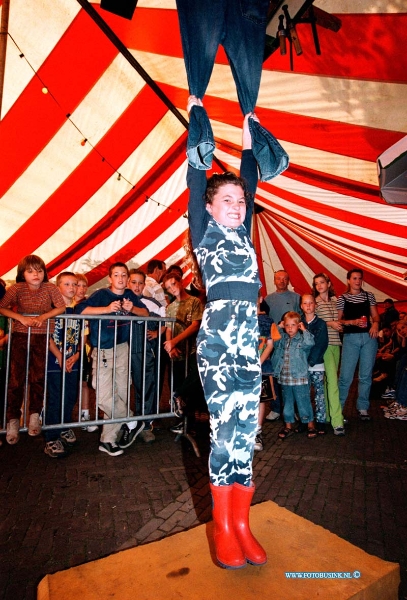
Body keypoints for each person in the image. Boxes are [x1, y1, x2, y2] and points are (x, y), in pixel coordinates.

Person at [188, 100, 266, 569]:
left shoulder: (246, 233)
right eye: (228, 201)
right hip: (218, 340)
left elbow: (250, 180)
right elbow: (196, 175)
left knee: (247, 432)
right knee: (223, 431)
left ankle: (242, 524)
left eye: (240, 202)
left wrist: (248, 135)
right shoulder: (205, 233)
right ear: (211, 208)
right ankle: (222, 527)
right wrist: (198, 112)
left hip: (248, 342)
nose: (237, 206)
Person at [76, 262, 148, 456]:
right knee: (103, 394)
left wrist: (132, 308)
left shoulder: (130, 295)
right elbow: (80, 310)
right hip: (103, 350)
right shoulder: (100, 295)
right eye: (117, 275)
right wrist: (107, 309)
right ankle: (131, 418)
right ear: (110, 278)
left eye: (124, 275)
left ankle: (108, 440)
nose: (121, 278)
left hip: (122, 348)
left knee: (121, 393)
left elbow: (145, 313)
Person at [0, 255, 65, 444]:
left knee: (38, 376)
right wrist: (20, 318)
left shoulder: (50, 287)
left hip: (41, 335)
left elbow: (61, 307)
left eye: (39, 270)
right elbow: (2, 307)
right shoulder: (17, 288)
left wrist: (44, 316)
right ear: (23, 273)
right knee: (15, 378)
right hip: (20, 336)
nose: (35, 274)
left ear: (44, 272)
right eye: (30, 271)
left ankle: (34, 414)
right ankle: (12, 419)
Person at [44, 272, 82, 458]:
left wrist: (76, 355)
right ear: (58, 287)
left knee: (70, 396)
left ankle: (64, 426)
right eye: (66, 284)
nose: (71, 288)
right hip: (54, 361)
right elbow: (48, 336)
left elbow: (82, 336)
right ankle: (51, 436)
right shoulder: (53, 310)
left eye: (74, 284)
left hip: (72, 361)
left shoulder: (77, 311)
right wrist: (59, 355)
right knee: (55, 397)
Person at [162, 272, 205, 433]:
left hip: (193, 348)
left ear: (180, 282)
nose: (172, 289)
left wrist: (175, 340)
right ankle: (183, 421)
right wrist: (171, 345)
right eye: (168, 287)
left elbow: (195, 325)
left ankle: (190, 419)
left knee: (194, 381)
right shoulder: (170, 307)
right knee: (179, 381)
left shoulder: (194, 301)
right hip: (178, 353)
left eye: (173, 284)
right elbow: (168, 328)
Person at [128, 268, 166, 443]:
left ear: (145, 285)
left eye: (140, 283)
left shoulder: (153, 303)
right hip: (122, 351)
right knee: (121, 388)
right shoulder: (118, 301)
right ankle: (124, 423)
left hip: (144, 351)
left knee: (146, 386)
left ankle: (145, 424)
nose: (136, 286)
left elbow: (164, 322)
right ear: (128, 282)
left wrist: (157, 333)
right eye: (133, 282)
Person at [337, 268, 380, 421]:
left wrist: (375, 325)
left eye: (359, 278)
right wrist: (352, 322)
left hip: (369, 337)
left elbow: (375, 316)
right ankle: (339, 409)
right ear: (348, 280)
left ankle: (363, 407)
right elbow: (338, 321)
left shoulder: (369, 296)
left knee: (365, 375)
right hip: (350, 338)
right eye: (354, 278)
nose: (357, 281)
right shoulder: (342, 298)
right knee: (345, 376)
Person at [271, 311, 316, 440]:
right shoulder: (282, 339)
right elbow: (273, 340)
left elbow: (310, 343)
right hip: (285, 377)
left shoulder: (302, 339)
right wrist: (278, 327)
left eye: (293, 325)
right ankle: (288, 425)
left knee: (303, 401)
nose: (290, 328)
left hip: (299, 377)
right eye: (287, 325)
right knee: (287, 403)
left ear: (298, 325)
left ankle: (310, 424)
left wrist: (304, 330)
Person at [264, 270, 301, 422]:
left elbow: (301, 319)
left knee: (292, 375)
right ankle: (275, 408)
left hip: (292, 342)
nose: (281, 281)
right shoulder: (268, 299)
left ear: (288, 280)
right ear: (274, 281)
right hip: (274, 343)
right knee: (274, 376)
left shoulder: (296, 298)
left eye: (285, 278)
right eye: (278, 278)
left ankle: (293, 408)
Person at [312, 273, 345, 436]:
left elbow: (339, 321)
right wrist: (330, 323)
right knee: (333, 382)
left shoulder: (335, 301)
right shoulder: (315, 303)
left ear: (329, 283)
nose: (319, 285)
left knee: (328, 382)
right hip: (324, 345)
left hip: (336, 343)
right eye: (316, 283)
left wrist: (339, 325)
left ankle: (326, 415)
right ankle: (337, 421)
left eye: (322, 282)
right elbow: (311, 322)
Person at [73, 273, 98, 433]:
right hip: (68, 349)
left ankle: (85, 415)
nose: (81, 289)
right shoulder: (65, 304)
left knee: (84, 383)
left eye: (84, 286)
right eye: (78, 285)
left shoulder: (89, 303)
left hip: (85, 350)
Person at [300, 294, 328, 434]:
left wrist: (309, 361)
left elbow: (321, 344)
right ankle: (305, 420)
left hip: (316, 365)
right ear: (301, 306)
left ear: (315, 305)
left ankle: (321, 421)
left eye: (311, 303)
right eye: (305, 303)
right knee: (303, 394)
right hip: (301, 366)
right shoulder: (298, 323)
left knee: (319, 394)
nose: (308, 306)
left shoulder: (321, 324)